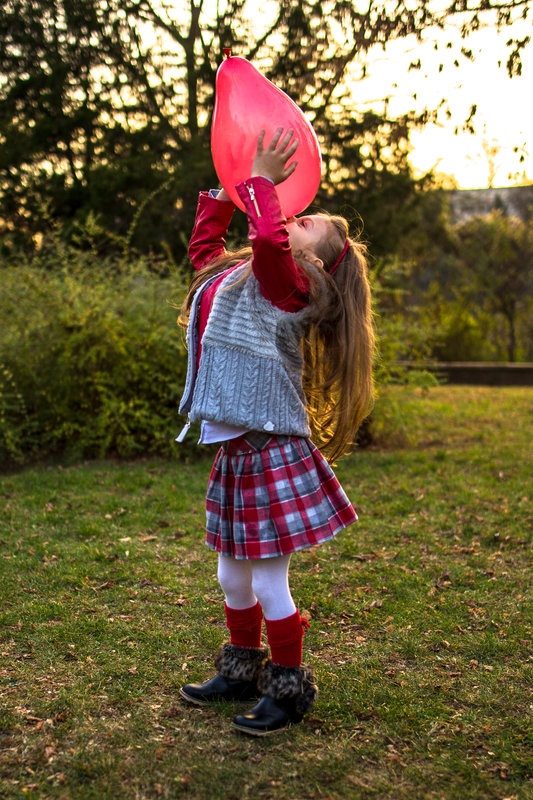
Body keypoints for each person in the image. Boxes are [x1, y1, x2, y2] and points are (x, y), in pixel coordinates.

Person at [177, 128, 374, 736]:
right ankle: (241, 669)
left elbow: (266, 240)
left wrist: (261, 180)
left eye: (309, 224)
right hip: (238, 452)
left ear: (319, 260)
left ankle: (288, 688)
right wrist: (225, 189)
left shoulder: (296, 287)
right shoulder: (246, 277)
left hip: (272, 451)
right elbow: (205, 253)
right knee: (230, 576)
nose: (296, 217)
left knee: (267, 581)